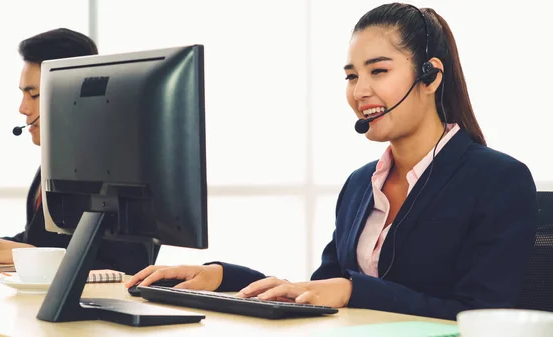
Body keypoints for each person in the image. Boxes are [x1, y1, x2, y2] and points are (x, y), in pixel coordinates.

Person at [125, 3, 538, 320]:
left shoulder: (497, 180)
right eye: (351, 76)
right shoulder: (361, 185)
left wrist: (354, 291)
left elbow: (480, 316)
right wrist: (224, 279)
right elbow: (320, 290)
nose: (360, 91)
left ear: (430, 77)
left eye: (378, 71)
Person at [0, 28, 152, 275]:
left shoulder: (119, 168)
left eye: (34, 95)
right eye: (23, 94)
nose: (23, 109)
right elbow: (41, 240)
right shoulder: (56, 159)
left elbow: (127, 267)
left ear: (72, 92)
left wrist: (25, 254)